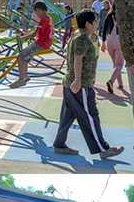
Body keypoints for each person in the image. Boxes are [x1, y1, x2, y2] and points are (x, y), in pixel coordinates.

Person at [53, 9, 124, 160]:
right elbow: (78, 59)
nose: (98, 23)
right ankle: (103, 149)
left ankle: (59, 144)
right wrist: (78, 80)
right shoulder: (82, 38)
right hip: (80, 86)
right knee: (91, 116)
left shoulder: (78, 35)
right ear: (88, 24)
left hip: (71, 84)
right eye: (95, 21)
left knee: (67, 116)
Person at [10, 0, 53, 89]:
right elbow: (36, 32)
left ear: (39, 10)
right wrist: (24, 36)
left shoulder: (44, 20)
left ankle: (21, 79)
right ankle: (25, 76)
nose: (36, 14)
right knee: (25, 58)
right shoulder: (48, 18)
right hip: (45, 42)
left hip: (41, 44)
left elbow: (34, 33)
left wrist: (23, 37)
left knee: (20, 57)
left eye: (36, 12)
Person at [100, 1, 125, 94]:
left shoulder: (109, 15)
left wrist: (103, 42)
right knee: (119, 65)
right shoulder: (123, 16)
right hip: (119, 41)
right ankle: (111, 81)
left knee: (116, 64)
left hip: (109, 41)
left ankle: (120, 84)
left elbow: (104, 29)